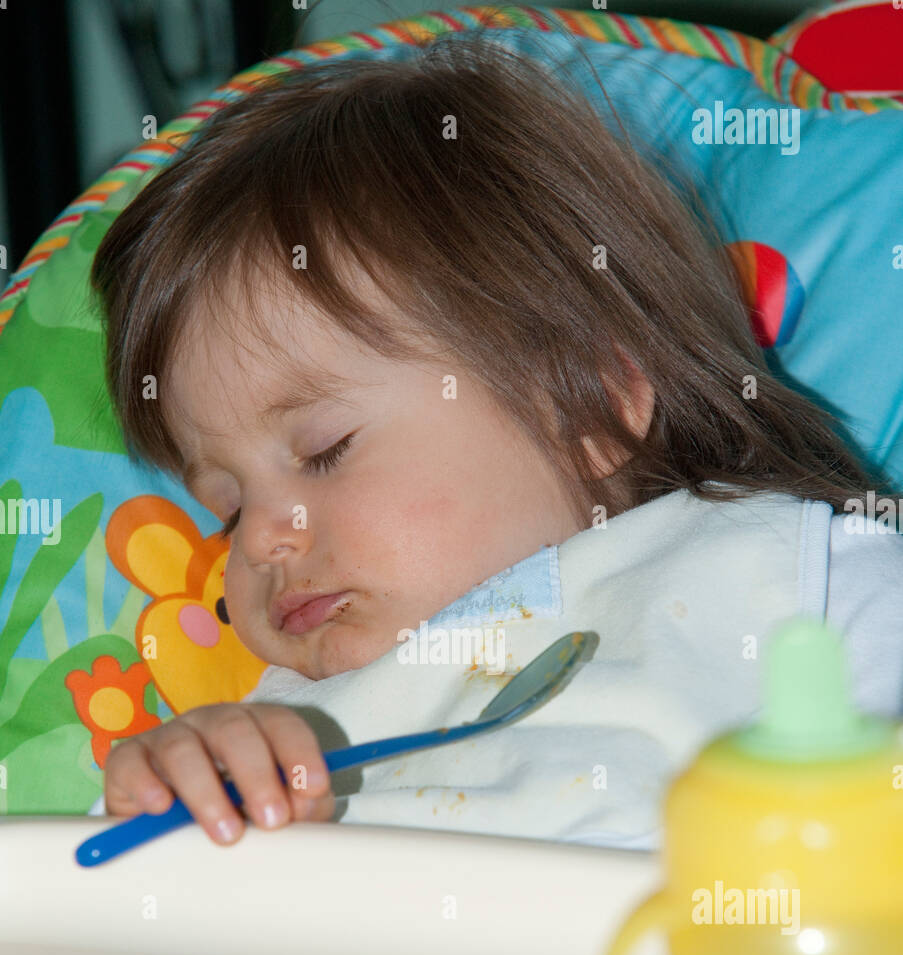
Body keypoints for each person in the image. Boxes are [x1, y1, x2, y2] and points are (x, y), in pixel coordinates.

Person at [87, 31, 903, 849]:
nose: (261, 538)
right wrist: (169, 788)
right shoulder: (270, 742)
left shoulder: (794, 588)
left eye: (325, 451)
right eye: (226, 510)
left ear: (591, 409)